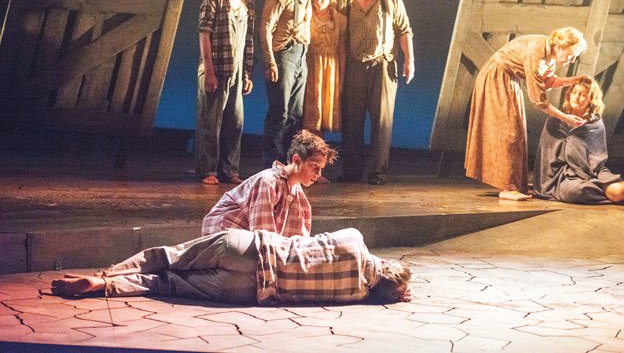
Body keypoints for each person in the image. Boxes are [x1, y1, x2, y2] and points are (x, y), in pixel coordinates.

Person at [50, 228, 413, 305]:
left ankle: (104, 274)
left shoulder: (355, 239)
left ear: (384, 263)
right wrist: (394, 295)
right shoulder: (355, 296)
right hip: (247, 291)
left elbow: (310, 237)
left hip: (251, 250)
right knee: (166, 283)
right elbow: (379, 290)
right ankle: (105, 289)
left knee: (169, 256)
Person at [465, 27, 589, 201]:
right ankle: (508, 188)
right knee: (510, 133)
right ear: (560, 46)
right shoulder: (537, 53)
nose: (573, 59)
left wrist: (574, 80)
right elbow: (539, 101)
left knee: (517, 132)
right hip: (496, 77)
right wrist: (566, 118)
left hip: (508, 79)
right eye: (572, 54)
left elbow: (549, 81)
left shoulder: (549, 54)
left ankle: (516, 184)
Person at [337, 0, 414, 185]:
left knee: (382, 121)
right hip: (354, 66)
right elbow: (339, 38)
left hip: (383, 64)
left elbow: (404, 29)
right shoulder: (345, 1)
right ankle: (352, 171)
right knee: (352, 120)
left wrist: (410, 60)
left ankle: (378, 172)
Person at [534, 77, 624, 205]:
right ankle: (602, 191)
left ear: (590, 100)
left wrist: (590, 172)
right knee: (575, 192)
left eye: (583, 95)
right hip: (563, 175)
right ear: (569, 94)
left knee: (622, 191)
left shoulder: (596, 124)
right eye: (574, 92)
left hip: (592, 170)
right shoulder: (555, 121)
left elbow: (597, 158)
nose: (576, 97)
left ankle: (603, 189)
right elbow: (546, 158)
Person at [195, 0, 257, 185]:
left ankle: (230, 169)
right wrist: (208, 70)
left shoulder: (248, 1)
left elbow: (248, 39)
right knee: (211, 121)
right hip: (217, 66)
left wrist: (248, 72)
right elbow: (204, 33)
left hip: (238, 70)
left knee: (236, 120)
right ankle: (208, 170)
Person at [201, 130, 337, 236]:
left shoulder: (298, 194)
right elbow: (262, 236)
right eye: (314, 166)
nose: (319, 173)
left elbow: (297, 240)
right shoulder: (268, 182)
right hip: (221, 234)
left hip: (241, 239)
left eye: (321, 169)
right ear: (297, 160)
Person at [261, 0, 323, 167]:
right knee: (280, 111)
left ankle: (289, 164)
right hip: (283, 54)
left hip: (301, 55)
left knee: (296, 114)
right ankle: (272, 163)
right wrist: (269, 61)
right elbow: (266, 26)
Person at [302, 0, 346, 183]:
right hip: (311, 66)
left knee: (321, 121)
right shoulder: (306, 13)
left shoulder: (339, 20)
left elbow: (342, 50)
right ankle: (302, 166)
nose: (318, 0)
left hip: (330, 70)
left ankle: (317, 170)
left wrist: (341, 78)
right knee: (308, 120)